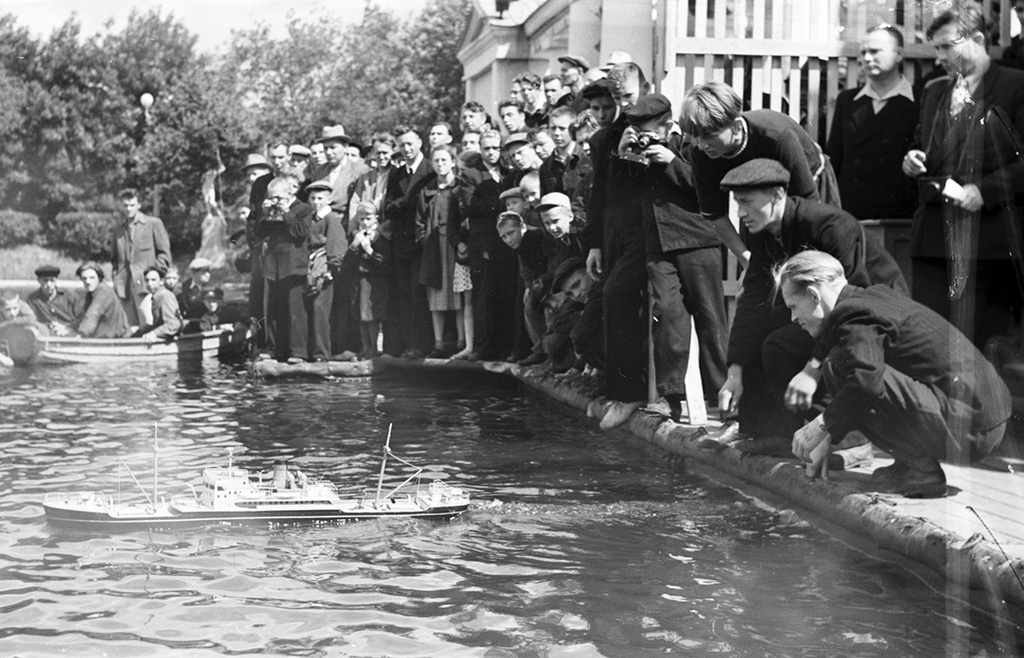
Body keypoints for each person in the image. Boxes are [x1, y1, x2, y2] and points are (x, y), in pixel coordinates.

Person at [781, 250, 1010, 498]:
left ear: (814, 295)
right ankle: (909, 465)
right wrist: (830, 433)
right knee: (843, 361)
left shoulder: (852, 315)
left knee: (840, 364)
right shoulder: (871, 296)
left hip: (971, 427)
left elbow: (866, 380)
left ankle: (919, 471)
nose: (794, 317)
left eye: (793, 307)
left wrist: (821, 427)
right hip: (985, 419)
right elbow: (836, 339)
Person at [714, 158, 907, 447]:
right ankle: (774, 435)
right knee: (758, 335)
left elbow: (853, 304)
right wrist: (734, 373)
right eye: (736, 203)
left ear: (778, 195)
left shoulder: (829, 225)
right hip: (833, 315)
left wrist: (812, 368)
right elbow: (752, 302)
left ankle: (850, 436)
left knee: (779, 346)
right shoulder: (763, 232)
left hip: (876, 318)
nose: (740, 213)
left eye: (746, 202)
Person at [901, 5, 1024, 350]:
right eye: (935, 48)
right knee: (931, 345)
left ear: (979, 39)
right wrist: (913, 159)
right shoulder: (934, 90)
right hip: (932, 242)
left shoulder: (1016, 87)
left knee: (982, 351)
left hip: (988, 243)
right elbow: (921, 143)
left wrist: (984, 191)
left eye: (946, 46)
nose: (939, 57)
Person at [623, 93, 728, 421]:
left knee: (710, 320)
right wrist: (625, 154)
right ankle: (672, 396)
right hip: (658, 245)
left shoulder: (691, 147)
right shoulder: (634, 152)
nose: (645, 135)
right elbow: (620, 194)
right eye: (638, 129)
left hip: (697, 240)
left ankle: (722, 399)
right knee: (667, 314)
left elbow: (705, 190)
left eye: (649, 128)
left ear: (668, 123)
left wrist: (669, 161)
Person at [680, 81, 830, 267]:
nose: (702, 145)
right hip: (759, 200)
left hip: (809, 187)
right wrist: (746, 258)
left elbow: (808, 202)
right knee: (761, 271)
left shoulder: (777, 136)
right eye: (695, 136)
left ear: (735, 127)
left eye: (709, 136)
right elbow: (714, 213)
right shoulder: (700, 152)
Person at [580, 61, 652, 430]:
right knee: (603, 304)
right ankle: (614, 389)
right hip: (612, 234)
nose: (609, 112)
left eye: (615, 102)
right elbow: (599, 197)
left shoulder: (643, 125)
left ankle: (628, 393)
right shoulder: (600, 139)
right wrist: (594, 244)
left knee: (617, 296)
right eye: (601, 106)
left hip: (645, 231)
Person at [826, 25, 918, 219]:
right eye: (863, 52)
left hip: (901, 215)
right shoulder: (847, 101)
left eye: (875, 51)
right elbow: (835, 159)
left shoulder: (920, 100)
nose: (866, 58)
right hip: (853, 213)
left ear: (899, 54)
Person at [458, 129, 516, 361]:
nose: (492, 153)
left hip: (505, 243)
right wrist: (502, 203)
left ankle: (504, 347)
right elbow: (472, 206)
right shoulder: (470, 174)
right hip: (483, 244)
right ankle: (482, 348)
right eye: (487, 148)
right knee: (483, 297)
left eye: (496, 148)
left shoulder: (508, 172)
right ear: (480, 150)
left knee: (505, 294)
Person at [384, 125, 434, 359]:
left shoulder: (431, 169)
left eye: (410, 144)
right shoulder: (396, 173)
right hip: (402, 243)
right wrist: (398, 205)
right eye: (402, 145)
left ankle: (423, 345)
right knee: (404, 293)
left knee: (419, 292)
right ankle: (408, 344)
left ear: (420, 143)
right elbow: (388, 206)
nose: (406, 149)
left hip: (423, 241)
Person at [416, 145, 470, 359]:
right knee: (437, 296)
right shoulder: (427, 189)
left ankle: (460, 340)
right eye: (436, 160)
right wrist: (424, 242)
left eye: (444, 160)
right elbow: (419, 222)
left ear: (453, 162)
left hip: (455, 245)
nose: (440, 164)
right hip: (434, 247)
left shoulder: (460, 187)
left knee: (458, 293)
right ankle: (438, 342)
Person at [258, 177, 312, 364]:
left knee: (295, 311)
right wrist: (264, 214)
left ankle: (298, 352)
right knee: (273, 310)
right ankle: (273, 350)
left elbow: (300, 233)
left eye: (279, 198)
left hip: (294, 266)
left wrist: (286, 212)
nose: (275, 202)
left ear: (290, 194)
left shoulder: (303, 208)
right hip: (273, 266)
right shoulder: (270, 209)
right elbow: (259, 234)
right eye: (271, 198)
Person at [111, 188, 172, 326]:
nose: (128, 209)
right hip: (124, 286)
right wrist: (116, 277)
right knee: (127, 326)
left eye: (132, 205)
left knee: (148, 323)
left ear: (139, 205)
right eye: (125, 205)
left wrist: (155, 275)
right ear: (121, 206)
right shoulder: (117, 229)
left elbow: (164, 254)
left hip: (145, 285)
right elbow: (114, 259)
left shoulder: (153, 223)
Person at [306, 181, 347, 362]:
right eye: (313, 198)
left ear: (329, 199)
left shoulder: (331, 220)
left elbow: (337, 246)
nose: (316, 202)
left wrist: (331, 269)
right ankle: (313, 351)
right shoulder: (311, 219)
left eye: (320, 198)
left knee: (320, 309)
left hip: (325, 270)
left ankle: (322, 353)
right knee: (312, 309)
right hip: (311, 268)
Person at [346, 201, 391, 359]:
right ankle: (364, 347)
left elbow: (385, 262)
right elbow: (348, 262)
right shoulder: (357, 236)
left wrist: (370, 251)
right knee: (360, 315)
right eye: (361, 219)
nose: (364, 222)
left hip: (374, 281)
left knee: (372, 315)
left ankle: (373, 347)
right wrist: (354, 245)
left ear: (376, 219)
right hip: (359, 279)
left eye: (368, 218)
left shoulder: (380, 237)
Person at [349, 132, 396, 234]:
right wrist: (354, 231)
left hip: (386, 232)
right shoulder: (366, 177)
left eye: (385, 153)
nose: (382, 157)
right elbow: (354, 204)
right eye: (378, 153)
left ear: (392, 152)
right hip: (364, 228)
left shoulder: (397, 175)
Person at [74, 262, 130, 339]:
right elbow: (83, 316)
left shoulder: (103, 291)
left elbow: (93, 314)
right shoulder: (91, 293)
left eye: (92, 278)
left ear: (99, 277)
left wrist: (81, 334)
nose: (88, 282)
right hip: (107, 337)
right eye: (84, 278)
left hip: (117, 339)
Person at [26, 265, 81, 337]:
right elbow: (31, 320)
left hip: (69, 332)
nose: (49, 284)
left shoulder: (70, 296)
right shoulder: (32, 299)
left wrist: (68, 328)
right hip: (46, 334)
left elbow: (82, 318)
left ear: (56, 280)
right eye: (45, 280)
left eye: (52, 280)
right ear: (39, 280)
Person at [135, 266, 182, 344]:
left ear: (161, 281)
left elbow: (174, 324)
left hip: (172, 342)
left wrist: (154, 333)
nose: (149, 284)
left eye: (153, 280)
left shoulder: (164, 295)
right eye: (147, 280)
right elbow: (159, 323)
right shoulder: (157, 296)